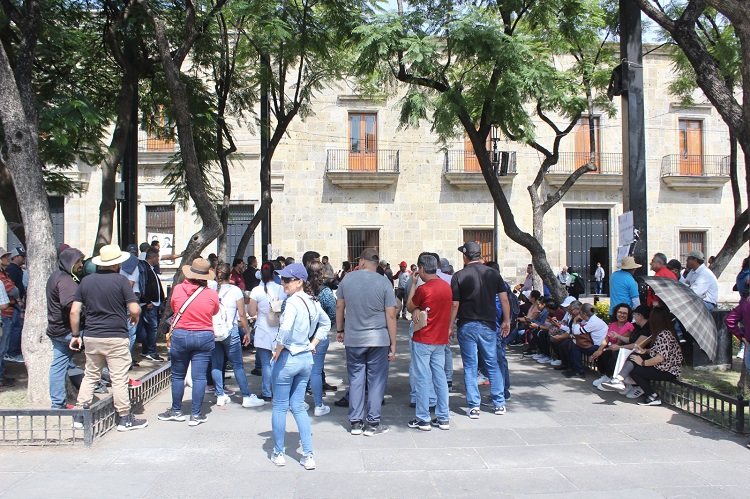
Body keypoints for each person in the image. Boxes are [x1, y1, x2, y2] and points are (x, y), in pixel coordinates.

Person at [69, 244, 147, 431]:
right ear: (116, 264)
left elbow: (74, 311)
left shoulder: (85, 282)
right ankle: (124, 417)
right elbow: (134, 308)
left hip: (92, 336)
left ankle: (80, 414)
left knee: (90, 375)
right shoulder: (121, 281)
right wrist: (135, 315)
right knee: (119, 378)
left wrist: (75, 335)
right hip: (116, 336)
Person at [270, 263, 331, 469]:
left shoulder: (293, 302)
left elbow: (285, 328)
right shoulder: (312, 301)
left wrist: (278, 348)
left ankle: (278, 452)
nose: (283, 282)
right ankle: (308, 454)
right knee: (298, 406)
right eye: (283, 278)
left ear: (299, 282)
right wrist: (313, 343)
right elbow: (326, 324)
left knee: (279, 406)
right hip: (305, 358)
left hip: (289, 356)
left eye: (287, 279)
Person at [336, 248, 398, 436]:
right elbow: (391, 315)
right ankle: (373, 423)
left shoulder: (347, 279)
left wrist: (340, 330)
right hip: (378, 339)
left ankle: (355, 422)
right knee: (376, 381)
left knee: (356, 379)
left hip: (354, 338)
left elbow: (340, 306)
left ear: (362, 261)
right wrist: (393, 343)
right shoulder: (384, 281)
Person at [450, 241, 511, 419]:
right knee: (492, 363)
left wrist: (449, 326)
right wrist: (506, 320)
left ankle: (474, 405)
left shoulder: (459, 276)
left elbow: (455, 304)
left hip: (467, 324)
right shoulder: (493, 273)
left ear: (465, 256)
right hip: (488, 325)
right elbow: (504, 300)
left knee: (470, 366)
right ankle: (499, 403)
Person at [158, 258, 219, 426]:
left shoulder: (177, 289)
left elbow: (173, 306)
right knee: (199, 377)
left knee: (178, 375)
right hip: (203, 335)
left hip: (181, 335)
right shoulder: (211, 294)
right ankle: (196, 414)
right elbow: (214, 311)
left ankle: (176, 410)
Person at [405, 254, 452, 431]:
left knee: (422, 378)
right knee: (439, 377)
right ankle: (443, 416)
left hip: (424, 338)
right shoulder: (446, 288)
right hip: (440, 339)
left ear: (422, 269)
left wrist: (414, 284)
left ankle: (423, 417)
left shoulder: (424, 289)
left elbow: (410, 305)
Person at [603, 308, 683, 406]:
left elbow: (660, 358)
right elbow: (658, 351)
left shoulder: (664, 335)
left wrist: (642, 362)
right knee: (634, 357)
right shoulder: (660, 333)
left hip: (667, 370)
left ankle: (651, 395)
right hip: (661, 366)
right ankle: (620, 379)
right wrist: (644, 351)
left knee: (636, 370)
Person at [210, 264, 265, 408]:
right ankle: (246, 396)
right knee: (237, 365)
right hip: (230, 330)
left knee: (216, 363)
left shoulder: (211, 290)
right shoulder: (235, 291)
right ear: (230, 276)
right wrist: (247, 331)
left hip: (214, 330)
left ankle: (220, 394)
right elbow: (241, 314)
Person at [45, 247, 84, 408]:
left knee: (58, 366)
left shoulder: (57, 277)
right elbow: (71, 305)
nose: (81, 264)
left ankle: (57, 403)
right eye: (78, 262)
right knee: (106, 348)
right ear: (70, 263)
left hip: (57, 329)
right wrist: (76, 333)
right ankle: (120, 381)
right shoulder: (65, 280)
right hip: (68, 331)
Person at [249, 262, 287, 401]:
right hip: (278, 328)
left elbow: (251, 311)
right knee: (278, 363)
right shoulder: (281, 289)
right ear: (273, 274)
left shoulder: (256, 291)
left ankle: (266, 392)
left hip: (263, 329)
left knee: (265, 364)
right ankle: (278, 390)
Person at [304, 260, 336, 417]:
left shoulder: (302, 290)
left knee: (302, 370)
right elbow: (332, 312)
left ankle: (300, 401)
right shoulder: (326, 292)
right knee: (316, 371)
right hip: (320, 336)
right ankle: (318, 404)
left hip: (303, 334)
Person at [591, 303, 633, 388]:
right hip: (612, 347)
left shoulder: (629, 326)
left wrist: (603, 350)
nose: (622, 315)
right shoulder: (613, 324)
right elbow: (606, 339)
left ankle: (611, 378)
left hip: (622, 349)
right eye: (620, 312)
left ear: (628, 315)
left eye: (624, 313)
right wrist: (599, 349)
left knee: (606, 354)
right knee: (597, 352)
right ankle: (605, 376)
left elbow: (619, 343)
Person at [563, 303, 608, 379]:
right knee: (574, 344)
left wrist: (575, 321)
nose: (578, 314)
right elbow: (575, 330)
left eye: (579, 312)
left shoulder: (593, 322)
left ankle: (579, 371)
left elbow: (576, 332)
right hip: (594, 343)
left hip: (599, 346)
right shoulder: (590, 320)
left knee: (575, 346)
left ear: (583, 314)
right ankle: (576, 369)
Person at [136, 248, 165, 362]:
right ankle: (151, 351)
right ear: (153, 257)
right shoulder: (145, 269)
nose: (158, 260)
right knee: (151, 328)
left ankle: (146, 350)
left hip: (152, 302)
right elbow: (144, 285)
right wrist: (148, 301)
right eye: (157, 257)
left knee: (146, 328)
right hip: (149, 304)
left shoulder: (150, 269)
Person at [0, 248, 20, 389]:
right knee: (1, 349)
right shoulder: (1, 277)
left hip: (7, 314)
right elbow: (13, 290)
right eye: (5, 257)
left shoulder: (4, 273)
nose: (8, 258)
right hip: (3, 316)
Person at [5, 247, 25, 363]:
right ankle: (12, 352)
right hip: (13, 304)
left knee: (16, 327)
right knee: (15, 327)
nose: (24, 258)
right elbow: (10, 287)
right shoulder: (12, 269)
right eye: (22, 256)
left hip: (16, 303)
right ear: (16, 257)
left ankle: (13, 351)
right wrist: (18, 299)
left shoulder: (16, 269)